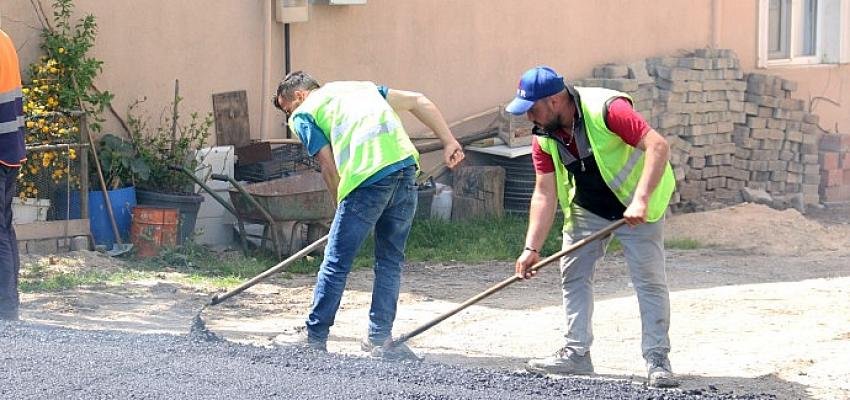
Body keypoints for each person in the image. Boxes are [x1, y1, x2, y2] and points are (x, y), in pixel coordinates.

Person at [272, 71, 464, 359]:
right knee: (390, 261)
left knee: (336, 261)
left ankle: (314, 336)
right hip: (405, 170)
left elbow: (327, 164)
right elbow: (417, 100)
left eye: (288, 108)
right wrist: (449, 141)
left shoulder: (305, 113)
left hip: (367, 179)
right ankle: (379, 339)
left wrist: (339, 205)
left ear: (298, 96)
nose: (291, 117)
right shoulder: (361, 88)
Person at [507, 66, 678, 388]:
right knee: (573, 275)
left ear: (556, 100)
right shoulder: (543, 136)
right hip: (588, 209)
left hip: (636, 206)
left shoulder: (609, 110)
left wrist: (640, 200)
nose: (529, 116)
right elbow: (544, 192)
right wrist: (531, 248)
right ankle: (576, 353)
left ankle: (658, 360)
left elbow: (658, 146)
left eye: (533, 109)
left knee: (649, 281)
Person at [0, 27, 27, 321]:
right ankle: (10, 303)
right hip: (10, 150)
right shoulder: (5, 39)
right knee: (5, 228)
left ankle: (5, 307)